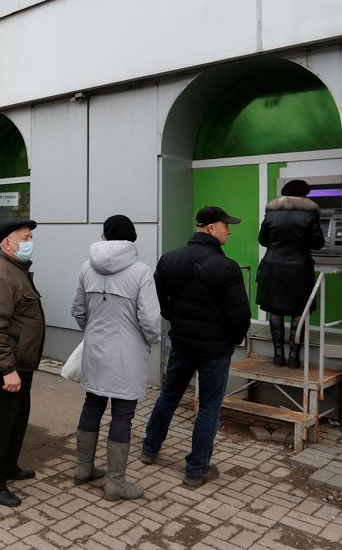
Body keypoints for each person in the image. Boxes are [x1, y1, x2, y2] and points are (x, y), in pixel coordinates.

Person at [141, 206, 251, 488]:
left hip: (182, 342)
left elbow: (159, 301)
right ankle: (196, 469)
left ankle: (149, 448)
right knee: (209, 408)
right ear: (211, 228)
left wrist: (177, 319)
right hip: (215, 349)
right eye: (226, 226)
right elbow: (240, 315)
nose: (229, 231)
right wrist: (232, 339)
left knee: (169, 395)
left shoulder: (169, 259)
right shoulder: (227, 267)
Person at [70, 215, 162, 501]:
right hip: (127, 354)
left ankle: (83, 468)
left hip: (95, 349)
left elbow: (78, 310)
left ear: (104, 237)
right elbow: (150, 320)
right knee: (122, 413)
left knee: (92, 403)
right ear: (132, 238)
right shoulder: (141, 271)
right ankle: (116, 483)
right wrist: (149, 340)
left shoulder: (86, 267)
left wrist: (94, 331)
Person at [0, 219, 43, 507]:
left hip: (19, 362)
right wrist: (7, 369)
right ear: (8, 244)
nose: (30, 242)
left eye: (30, 237)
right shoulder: (0, 274)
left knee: (16, 418)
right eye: (25, 238)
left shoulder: (16, 269)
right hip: (3, 365)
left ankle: (8, 466)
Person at [256, 180, 325, 369]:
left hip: (273, 267)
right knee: (299, 312)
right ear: (304, 195)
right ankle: (294, 357)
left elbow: (262, 240)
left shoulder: (272, 212)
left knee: (275, 311)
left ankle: (278, 355)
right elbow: (318, 243)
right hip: (299, 269)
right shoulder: (310, 213)